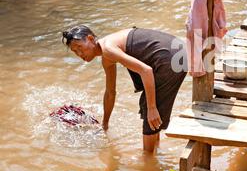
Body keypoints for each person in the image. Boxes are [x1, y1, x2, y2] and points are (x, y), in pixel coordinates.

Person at [61, 25, 187, 153]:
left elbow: (146, 71)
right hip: (178, 53)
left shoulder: (108, 48)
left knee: (150, 106)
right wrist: (105, 124)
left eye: (80, 48)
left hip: (171, 57)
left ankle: (148, 160)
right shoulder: (107, 56)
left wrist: (152, 108)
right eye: (75, 51)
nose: (80, 54)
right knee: (151, 105)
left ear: (90, 38)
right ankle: (156, 151)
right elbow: (110, 92)